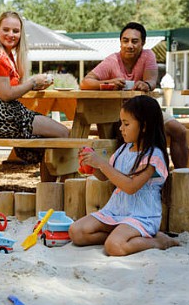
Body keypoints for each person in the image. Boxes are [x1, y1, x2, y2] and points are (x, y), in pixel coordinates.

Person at [68, 96, 180, 256]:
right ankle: (118, 235)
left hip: (141, 215)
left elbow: (130, 186)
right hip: (115, 211)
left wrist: (101, 164)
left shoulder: (152, 156)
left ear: (144, 126)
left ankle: (159, 241)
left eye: (126, 124)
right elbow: (106, 177)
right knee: (76, 232)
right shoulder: (123, 150)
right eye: (121, 123)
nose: (121, 128)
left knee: (114, 247)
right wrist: (92, 166)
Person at [80, 22, 188, 168]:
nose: (129, 45)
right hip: (119, 113)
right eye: (125, 41)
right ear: (120, 43)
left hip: (148, 111)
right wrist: (108, 82)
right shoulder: (112, 60)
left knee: (179, 131)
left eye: (134, 41)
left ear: (142, 43)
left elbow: (151, 80)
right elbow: (85, 83)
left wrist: (146, 85)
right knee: (134, 135)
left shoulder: (148, 55)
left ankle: (182, 175)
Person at [0, 11, 69, 164]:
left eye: (15, 31)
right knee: (63, 133)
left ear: (21, 33)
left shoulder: (5, 55)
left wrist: (35, 86)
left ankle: (50, 185)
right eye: (6, 29)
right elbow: (6, 94)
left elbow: (9, 89)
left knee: (53, 139)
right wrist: (32, 82)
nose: (11, 34)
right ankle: (59, 182)